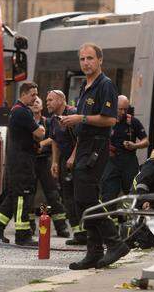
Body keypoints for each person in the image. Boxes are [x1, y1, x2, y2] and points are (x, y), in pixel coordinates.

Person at [60, 43, 130, 270]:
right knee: (83, 200)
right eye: (82, 59)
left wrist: (81, 118)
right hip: (83, 147)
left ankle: (115, 243)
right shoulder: (84, 85)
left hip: (96, 147)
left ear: (100, 60)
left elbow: (110, 120)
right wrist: (72, 153)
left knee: (86, 198)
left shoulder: (105, 85)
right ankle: (94, 251)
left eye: (90, 58)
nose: (86, 63)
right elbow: (81, 124)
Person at [0, 82, 45, 246]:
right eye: (33, 94)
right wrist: (41, 130)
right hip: (22, 162)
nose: (35, 98)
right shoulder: (22, 112)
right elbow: (39, 133)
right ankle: (23, 234)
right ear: (24, 94)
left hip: (18, 161)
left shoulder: (18, 110)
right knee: (22, 198)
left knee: (13, 197)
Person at [46, 89, 86, 245]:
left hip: (79, 159)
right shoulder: (53, 119)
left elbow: (81, 138)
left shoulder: (72, 115)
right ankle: (78, 234)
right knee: (67, 197)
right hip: (65, 160)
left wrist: (73, 157)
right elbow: (54, 140)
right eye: (47, 100)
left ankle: (87, 232)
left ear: (61, 100)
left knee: (80, 197)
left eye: (50, 100)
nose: (47, 103)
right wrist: (55, 162)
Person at [27, 97, 70, 238]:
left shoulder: (49, 121)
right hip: (30, 162)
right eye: (32, 102)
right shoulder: (26, 120)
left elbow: (54, 137)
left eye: (37, 102)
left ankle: (61, 227)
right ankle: (30, 227)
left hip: (44, 161)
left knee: (52, 195)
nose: (35, 104)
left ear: (41, 108)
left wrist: (41, 144)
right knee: (30, 195)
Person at [100, 95, 148, 203]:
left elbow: (146, 141)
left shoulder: (133, 122)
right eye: (120, 109)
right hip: (111, 161)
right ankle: (108, 218)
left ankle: (128, 217)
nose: (122, 112)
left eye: (125, 109)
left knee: (131, 193)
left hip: (129, 161)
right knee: (108, 193)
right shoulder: (106, 121)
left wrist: (134, 145)